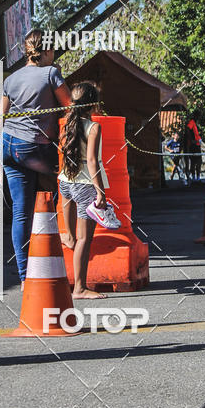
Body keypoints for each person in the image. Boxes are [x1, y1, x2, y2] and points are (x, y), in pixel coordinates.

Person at [1, 28, 71, 288]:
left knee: (21, 213)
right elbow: (70, 106)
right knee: (67, 183)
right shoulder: (51, 73)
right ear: (47, 50)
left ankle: (24, 277)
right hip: (33, 147)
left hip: (7, 147)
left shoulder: (12, 79)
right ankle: (67, 243)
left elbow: (1, 117)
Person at [58, 81, 120, 299]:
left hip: (65, 182)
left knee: (73, 238)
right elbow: (92, 160)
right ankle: (79, 288)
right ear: (94, 104)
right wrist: (100, 191)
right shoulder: (94, 127)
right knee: (85, 240)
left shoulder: (67, 123)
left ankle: (67, 239)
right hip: (85, 186)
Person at [184, 113, 202, 182]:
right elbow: (187, 129)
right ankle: (195, 177)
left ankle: (197, 177)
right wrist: (192, 140)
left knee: (197, 161)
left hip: (197, 144)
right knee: (195, 161)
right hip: (194, 146)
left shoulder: (195, 123)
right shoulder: (192, 122)